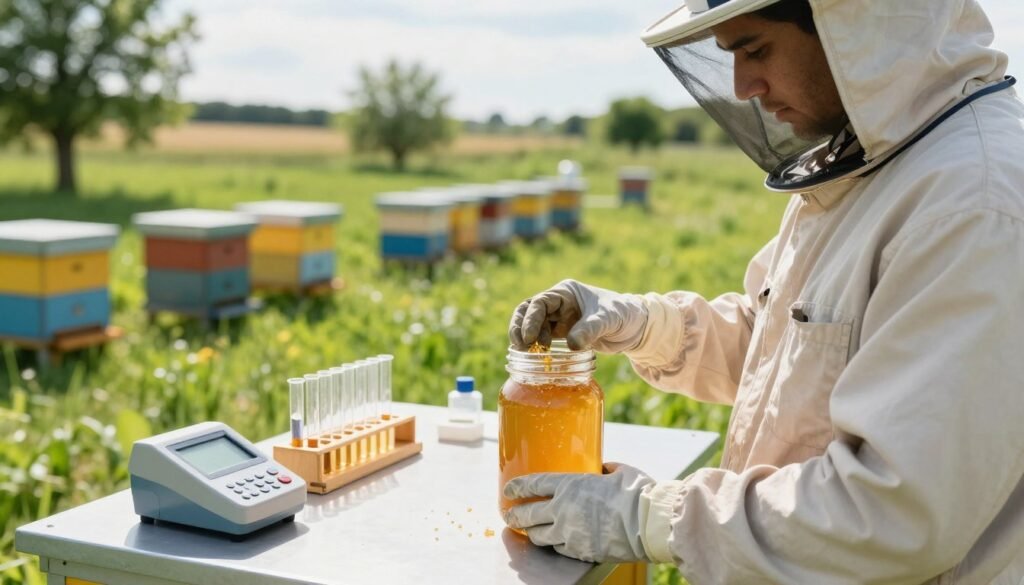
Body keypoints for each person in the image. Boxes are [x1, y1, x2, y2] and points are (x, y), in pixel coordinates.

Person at [503, 0, 1024, 582]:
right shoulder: (876, 169)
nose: (743, 85)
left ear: (855, 27)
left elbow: (895, 511)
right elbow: (786, 347)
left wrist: (654, 517)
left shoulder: (970, 204)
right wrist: (640, 323)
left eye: (755, 49)